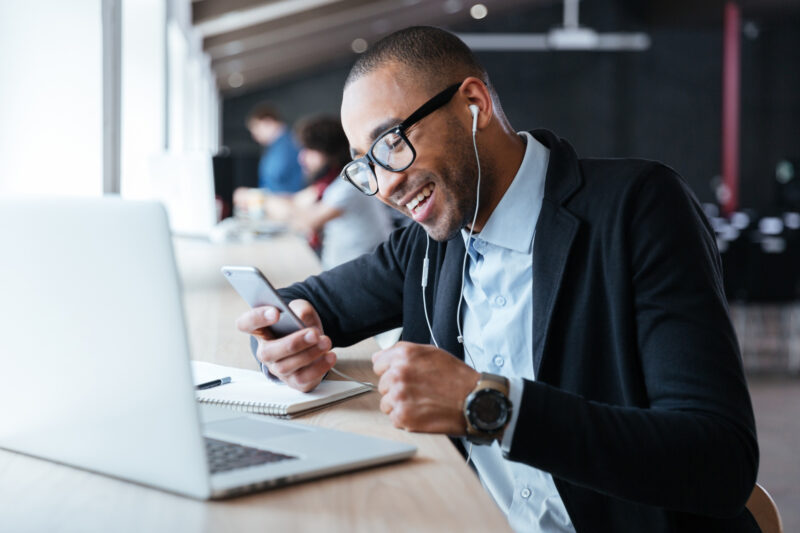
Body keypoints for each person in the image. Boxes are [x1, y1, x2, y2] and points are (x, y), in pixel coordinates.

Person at [235, 26, 759, 532]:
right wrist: (282, 343)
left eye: (391, 142)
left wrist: (488, 405)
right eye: (365, 165)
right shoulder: (429, 245)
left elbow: (719, 461)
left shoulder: (638, 209)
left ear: (474, 105)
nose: (386, 185)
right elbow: (304, 302)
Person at [263, 115, 394, 270]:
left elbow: (307, 222)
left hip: (360, 271)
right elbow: (298, 200)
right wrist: (270, 200)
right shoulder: (330, 182)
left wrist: (265, 200)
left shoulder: (350, 185)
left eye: (310, 151)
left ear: (331, 154)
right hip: (344, 267)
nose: (302, 158)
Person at [233, 104, 305, 212]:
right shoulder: (275, 147)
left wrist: (253, 196)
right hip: (276, 206)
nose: (254, 135)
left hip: (288, 208)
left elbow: (280, 183)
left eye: (256, 129)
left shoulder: (289, 145)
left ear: (268, 122)